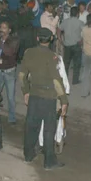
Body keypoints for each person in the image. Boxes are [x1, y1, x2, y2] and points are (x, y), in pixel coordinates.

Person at [19, 28, 69, 170]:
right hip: (49, 98)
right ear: (51, 40)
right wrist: (64, 100)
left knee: (31, 127)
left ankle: (28, 155)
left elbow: (22, 75)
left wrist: (26, 92)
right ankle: (49, 162)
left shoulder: (29, 53)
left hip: (34, 95)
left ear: (37, 39)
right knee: (48, 130)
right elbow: (56, 81)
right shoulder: (52, 56)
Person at [0, 21, 20, 124]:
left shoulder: (14, 40)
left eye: (4, 27)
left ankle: (11, 118)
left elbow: (9, 52)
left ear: (9, 30)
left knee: (11, 97)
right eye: (1, 27)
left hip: (9, 72)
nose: (2, 29)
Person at [61, 6, 84, 85]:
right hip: (76, 45)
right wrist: (82, 41)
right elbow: (85, 33)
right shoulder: (80, 22)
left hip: (67, 45)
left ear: (70, 13)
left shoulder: (65, 21)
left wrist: (61, 40)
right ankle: (75, 80)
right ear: (77, 14)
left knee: (66, 64)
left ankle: (65, 80)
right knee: (76, 64)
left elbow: (58, 29)